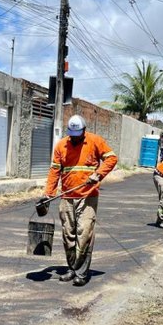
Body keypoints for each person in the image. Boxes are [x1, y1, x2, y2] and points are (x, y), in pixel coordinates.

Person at [45, 115, 118, 286]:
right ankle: (72, 268)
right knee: (68, 235)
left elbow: (111, 158)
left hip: (88, 196)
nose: (75, 137)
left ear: (84, 130)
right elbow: (54, 171)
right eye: (72, 134)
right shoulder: (61, 145)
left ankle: (82, 272)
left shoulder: (95, 141)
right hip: (67, 197)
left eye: (78, 134)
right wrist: (48, 194)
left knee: (84, 234)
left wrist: (98, 174)